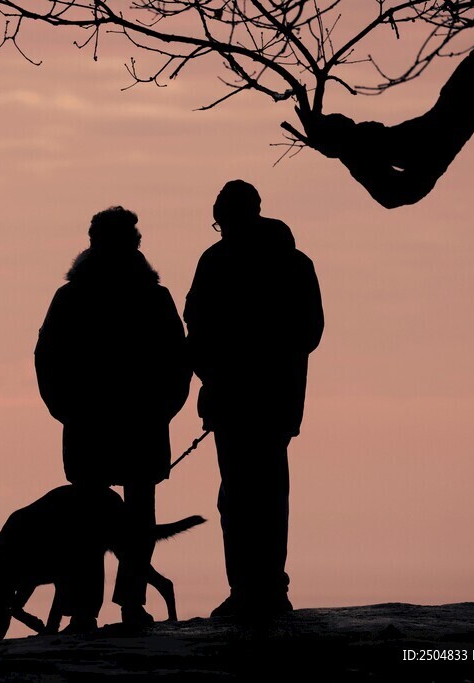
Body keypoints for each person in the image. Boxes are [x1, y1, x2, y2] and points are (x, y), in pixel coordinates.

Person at [35, 206, 191, 627]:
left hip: (101, 423)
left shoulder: (72, 298)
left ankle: (89, 610)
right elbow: (179, 360)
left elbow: (46, 358)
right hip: (131, 423)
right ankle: (126, 605)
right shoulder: (151, 297)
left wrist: (66, 409)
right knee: (133, 514)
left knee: (91, 518)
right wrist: (164, 409)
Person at [184, 180, 324, 619]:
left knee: (242, 495)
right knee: (263, 494)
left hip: (242, 400)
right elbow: (310, 333)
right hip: (272, 400)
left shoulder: (218, 262)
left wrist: (219, 372)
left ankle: (252, 588)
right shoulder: (294, 263)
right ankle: (262, 589)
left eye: (222, 222)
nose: (221, 229)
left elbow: (197, 331)